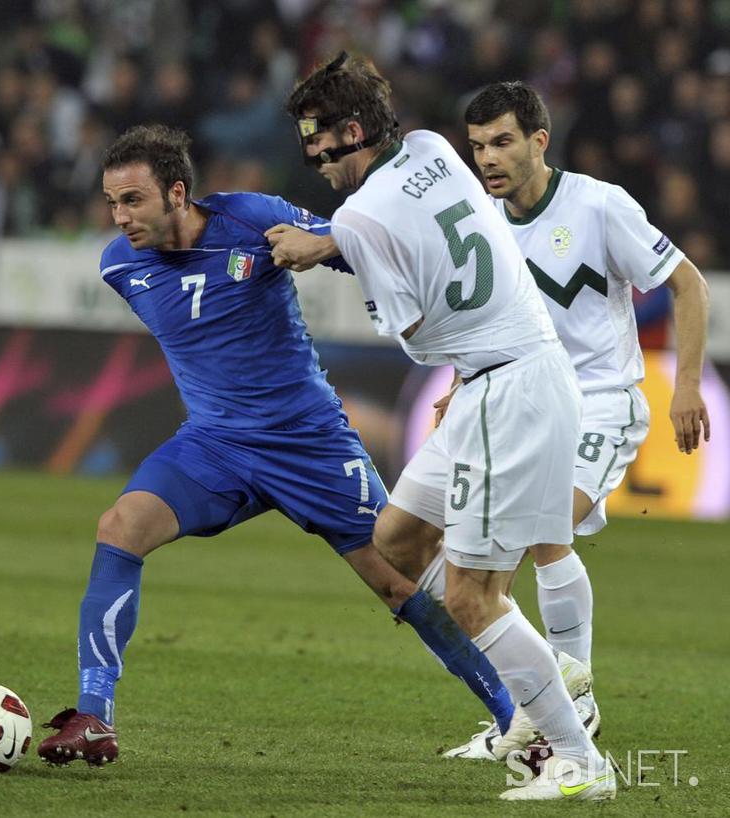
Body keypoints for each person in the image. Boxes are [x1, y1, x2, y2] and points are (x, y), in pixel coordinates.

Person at [37, 123, 518, 767]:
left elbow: (358, 250)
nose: (119, 217)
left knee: (400, 583)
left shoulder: (251, 217)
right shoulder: (120, 267)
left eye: (132, 200)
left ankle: (519, 717)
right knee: (120, 527)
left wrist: (326, 250)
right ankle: (94, 714)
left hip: (308, 442)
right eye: (111, 202)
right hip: (216, 445)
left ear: (177, 193)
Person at [268, 53, 613, 801]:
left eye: (317, 137)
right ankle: (544, 677)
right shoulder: (430, 147)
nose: (313, 155)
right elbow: (416, 224)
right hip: (510, 371)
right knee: (396, 539)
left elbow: (416, 329)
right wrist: (335, 239)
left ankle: (578, 756)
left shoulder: (356, 218)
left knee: (470, 598)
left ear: (351, 131)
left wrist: (330, 245)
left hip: (501, 389)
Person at [438, 79, 710, 758]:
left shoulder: (598, 205)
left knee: (546, 526)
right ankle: (531, 713)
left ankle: (575, 703)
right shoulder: (483, 223)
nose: (488, 158)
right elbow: (486, 322)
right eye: (477, 146)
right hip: (524, 402)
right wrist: (458, 384)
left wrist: (686, 385)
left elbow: (688, 284)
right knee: (488, 566)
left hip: (601, 400)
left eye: (502, 142)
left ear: (539, 141)